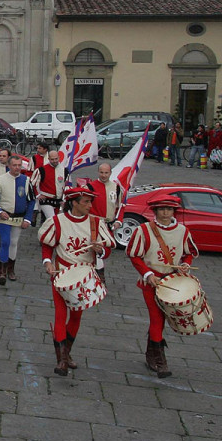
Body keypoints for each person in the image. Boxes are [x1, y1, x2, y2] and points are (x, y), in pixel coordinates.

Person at [39, 186, 115, 376]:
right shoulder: (57, 221)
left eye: (91, 202)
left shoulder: (96, 223)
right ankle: (62, 360)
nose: (90, 205)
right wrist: (48, 262)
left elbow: (107, 250)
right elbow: (48, 246)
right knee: (60, 313)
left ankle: (67, 353)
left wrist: (100, 250)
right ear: (74, 203)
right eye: (86, 202)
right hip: (61, 274)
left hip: (84, 276)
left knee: (76, 316)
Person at [127, 194, 200, 378]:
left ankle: (150, 355)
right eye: (161, 209)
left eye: (169, 209)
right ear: (155, 211)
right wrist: (148, 273)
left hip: (172, 282)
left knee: (161, 321)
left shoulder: (182, 230)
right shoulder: (144, 230)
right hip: (151, 282)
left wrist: (185, 264)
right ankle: (161, 363)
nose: (165, 212)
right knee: (156, 319)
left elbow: (189, 253)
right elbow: (135, 256)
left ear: (174, 211)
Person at [0, 155, 35, 284]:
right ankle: (2, 271)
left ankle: (11, 269)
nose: (17, 168)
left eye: (19, 165)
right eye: (14, 165)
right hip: (4, 216)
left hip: (18, 217)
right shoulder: (0, 180)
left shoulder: (26, 180)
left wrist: (28, 219)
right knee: (5, 241)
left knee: (14, 242)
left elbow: (31, 201)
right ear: (9, 166)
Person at [85, 160, 123, 285]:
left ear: (110, 173)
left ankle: (96, 274)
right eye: (101, 172)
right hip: (94, 222)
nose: (103, 175)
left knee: (105, 249)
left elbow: (121, 206)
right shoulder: (90, 187)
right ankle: (99, 276)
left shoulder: (116, 187)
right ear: (98, 172)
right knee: (97, 248)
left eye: (106, 173)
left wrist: (119, 221)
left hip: (109, 223)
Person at [32, 148, 67, 230]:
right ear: (48, 159)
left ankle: (46, 235)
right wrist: (38, 195)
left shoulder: (64, 170)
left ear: (59, 157)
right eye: (52, 159)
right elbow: (32, 183)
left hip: (59, 200)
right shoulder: (41, 170)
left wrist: (65, 199)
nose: (54, 161)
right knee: (53, 221)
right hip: (46, 200)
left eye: (56, 159)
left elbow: (68, 186)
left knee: (57, 221)